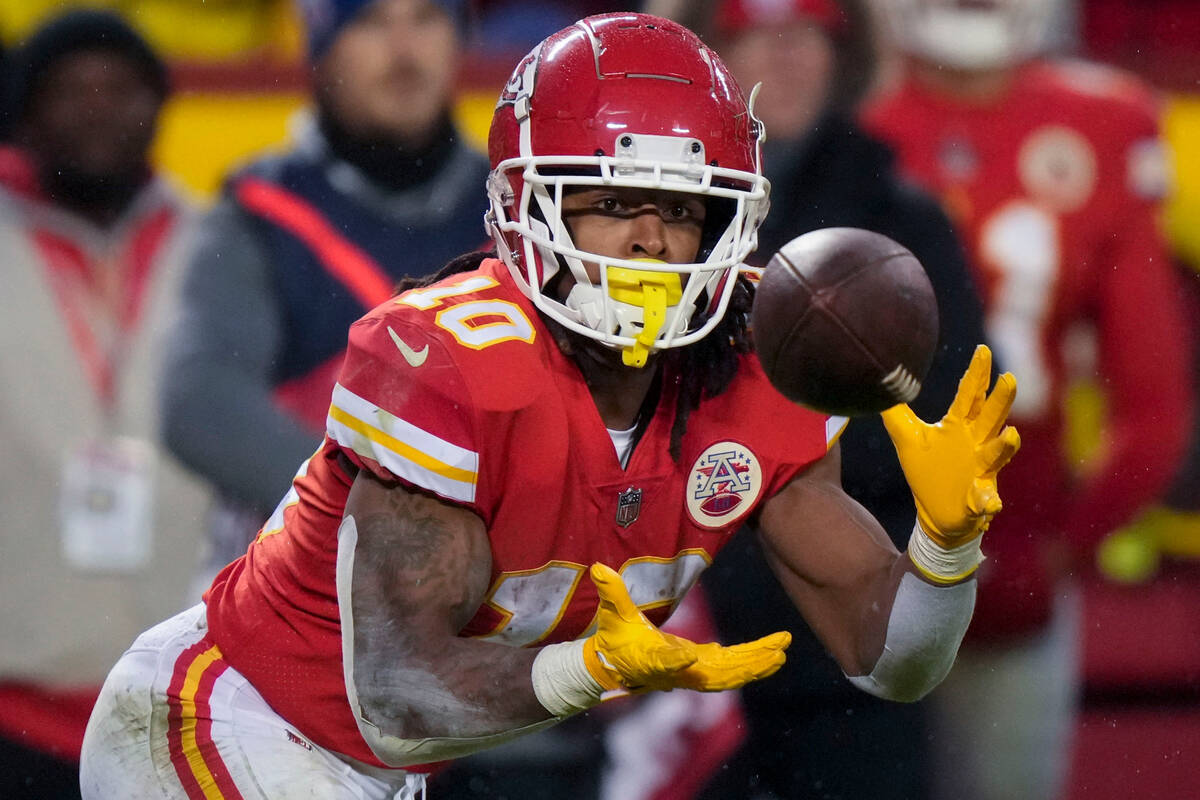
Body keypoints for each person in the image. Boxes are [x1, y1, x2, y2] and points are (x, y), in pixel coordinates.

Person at [80, 13, 1021, 798]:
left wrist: (945, 550)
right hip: (228, 718)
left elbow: (893, 663)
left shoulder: (761, 366)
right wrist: (593, 669)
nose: (651, 242)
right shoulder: (452, 357)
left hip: (378, 767)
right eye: (613, 201)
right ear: (530, 206)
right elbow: (396, 694)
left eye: (684, 210)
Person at [599, 1, 992, 798]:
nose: (786, 56)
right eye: (755, 31)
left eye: (807, 31)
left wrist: (749, 440)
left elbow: (950, 407)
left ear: (843, 51)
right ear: (712, 52)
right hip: (658, 639)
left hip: (841, 629)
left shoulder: (905, 217)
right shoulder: (643, 216)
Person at [861, 1, 1194, 798]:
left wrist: (1059, 546)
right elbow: (1155, 410)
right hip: (892, 538)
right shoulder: (852, 120)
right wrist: (1060, 545)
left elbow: (1154, 410)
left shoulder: (1102, 121)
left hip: (965, 548)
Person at [159, 0, 490, 593]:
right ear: (322, 50)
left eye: (427, 19)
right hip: (299, 593)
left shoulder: (516, 207)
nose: (404, 50)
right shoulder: (262, 212)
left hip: (489, 588)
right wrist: (383, 514)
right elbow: (202, 406)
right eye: (370, 22)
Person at [0, 10, 210, 799]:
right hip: (16, 704)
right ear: (24, 112)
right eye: (68, 90)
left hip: (187, 707)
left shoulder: (220, 242)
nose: (97, 109)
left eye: (120, 89)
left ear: (159, 106)